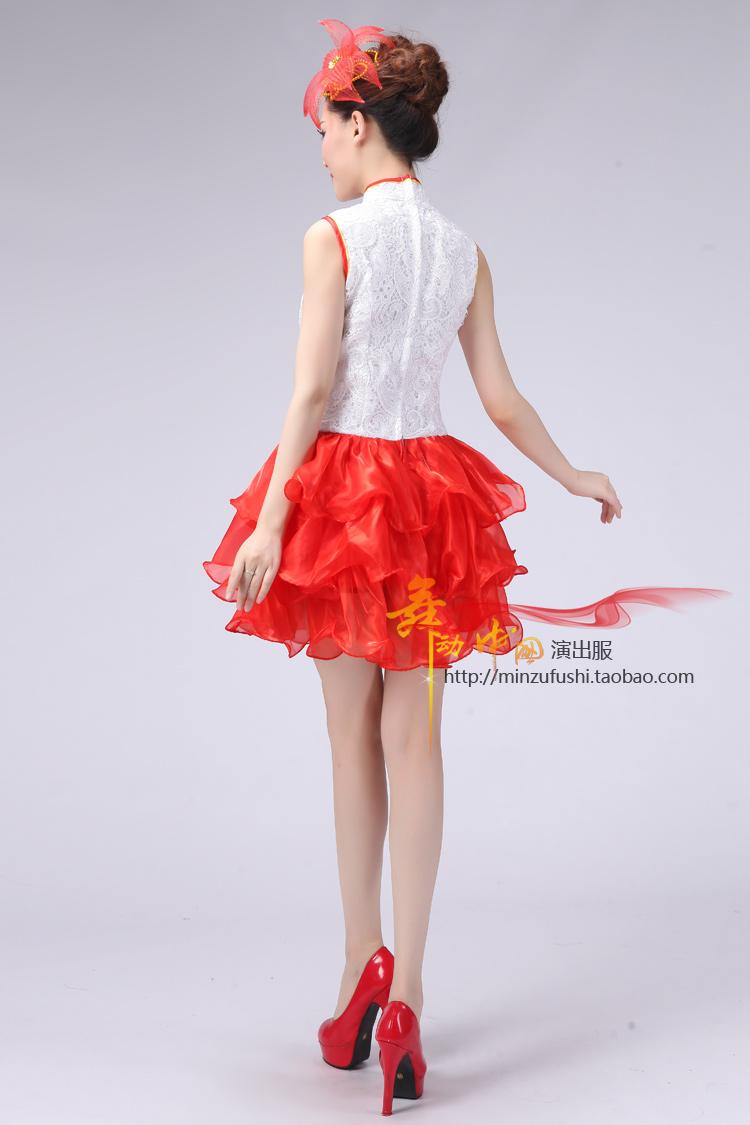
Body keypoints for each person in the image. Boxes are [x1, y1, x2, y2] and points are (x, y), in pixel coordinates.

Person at [202, 19, 728, 1115]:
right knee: (419, 739)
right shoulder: (463, 249)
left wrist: (271, 519)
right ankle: (410, 1000)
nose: (320, 148)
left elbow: (312, 391)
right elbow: (499, 397)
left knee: (349, 738)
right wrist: (572, 471)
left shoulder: (331, 237)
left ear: (360, 123)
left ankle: (360, 969)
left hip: (342, 497)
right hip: (430, 499)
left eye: (324, 127)